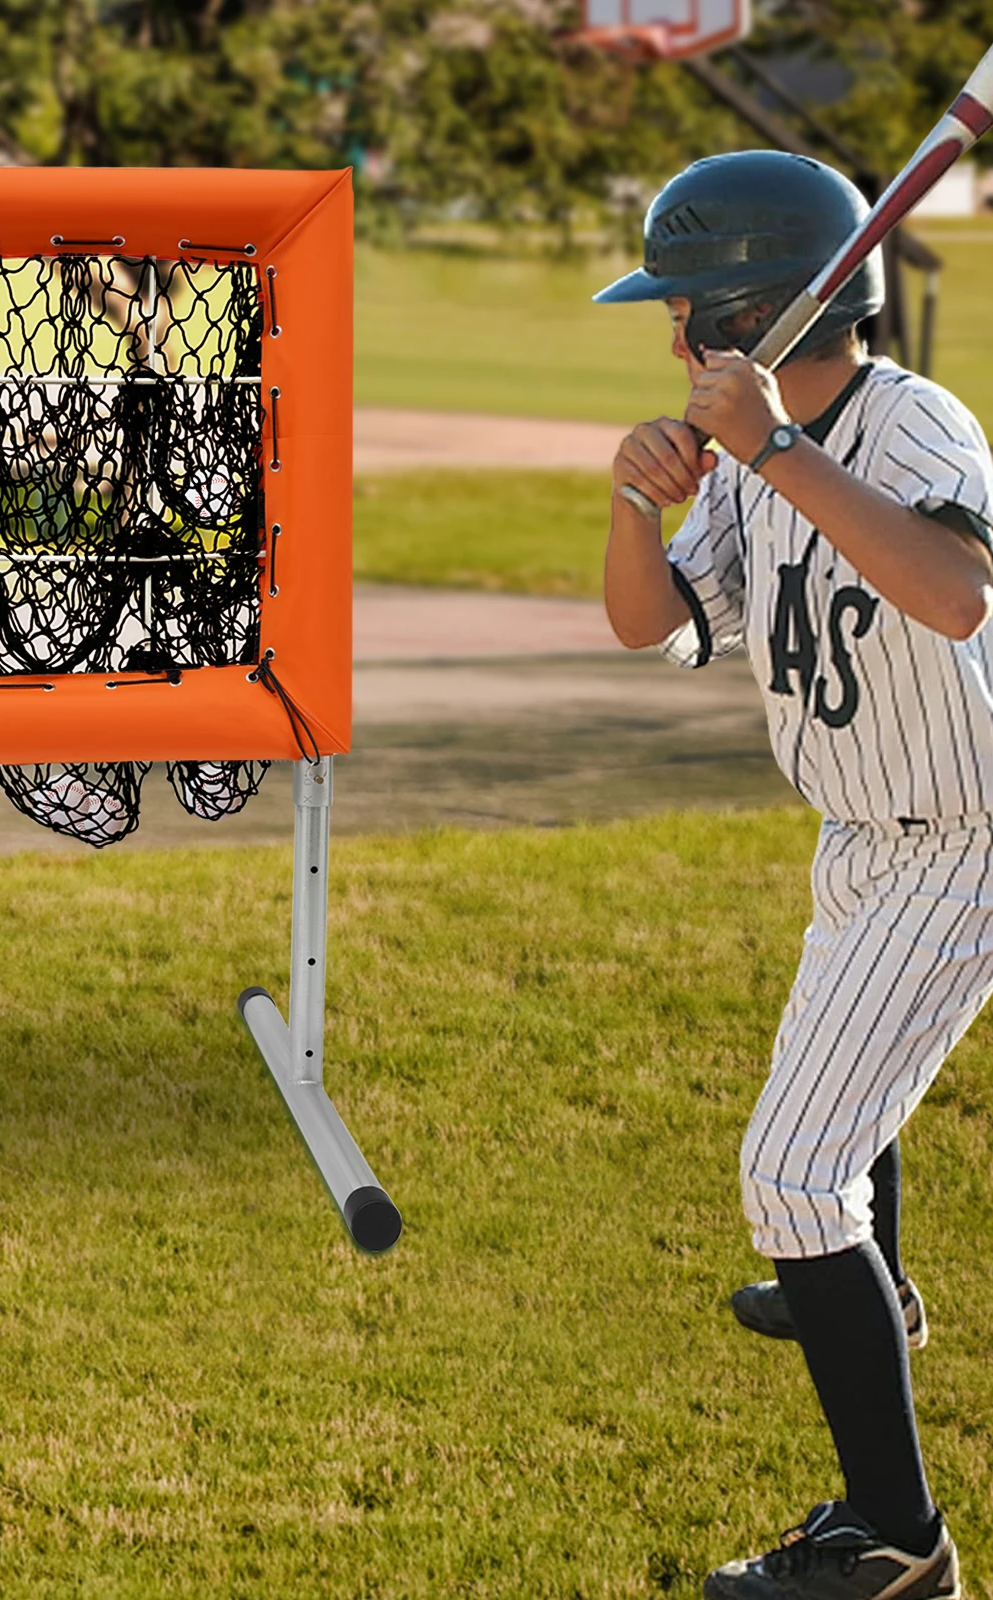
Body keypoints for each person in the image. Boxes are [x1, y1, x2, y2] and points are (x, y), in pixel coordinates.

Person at [597, 149, 993, 1600]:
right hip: (861, 835)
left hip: (963, 845)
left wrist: (774, 454)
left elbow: (955, 594)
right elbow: (653, 626)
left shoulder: (903, 422)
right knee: (833, 1120)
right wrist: (641, 502)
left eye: (684, 308)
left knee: (790, 1169)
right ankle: (867, 1290)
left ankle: (895, 1544)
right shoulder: (753, 458)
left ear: (743, 318)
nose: (671, 333)